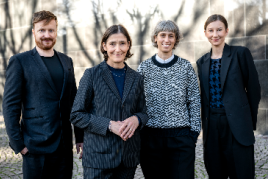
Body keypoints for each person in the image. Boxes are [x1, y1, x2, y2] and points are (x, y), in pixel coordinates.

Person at [2, 10, 83, 179]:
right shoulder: (19, 61)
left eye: (51, 30)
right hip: (35, 147)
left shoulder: (66, 61)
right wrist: (19, 144)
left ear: (56, 31)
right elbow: (10, 106)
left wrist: (80, 137)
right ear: (33, 32)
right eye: (42, 30)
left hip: (64, 147)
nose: (47, 35)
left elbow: (74, 102)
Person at [70, 24, 148, 179]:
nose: (117, 49)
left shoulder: (137, 78)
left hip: (127, 159)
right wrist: (109, 125)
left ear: (128, 45)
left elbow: (144, 112)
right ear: (104, 46)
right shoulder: (91, 75)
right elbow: (76, 114)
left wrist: (137, 119)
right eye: (112, 44)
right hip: (98, 159)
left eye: (122, 43)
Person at [196, 14, 261, 179]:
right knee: (216, 171)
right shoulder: (201, 62)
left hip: (238, 123)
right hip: (212, 125)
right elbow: (204, 96)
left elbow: (254, 89)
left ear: (226, 31)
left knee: (241, 172)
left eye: (219, 29)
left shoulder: (240, 54)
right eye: (211, 30)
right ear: (205, 33)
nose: (215, 34)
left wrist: (249, 122)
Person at [137, 20, 201, 179]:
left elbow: (194, 100)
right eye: (162, 35)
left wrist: (194, 133)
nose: (166, 40)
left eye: (171, 36)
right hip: (151, 139)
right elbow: (137, 102)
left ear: (176, 39)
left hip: (181, 139)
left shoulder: (185, 67)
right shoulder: (144, 68)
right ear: (155, 38)